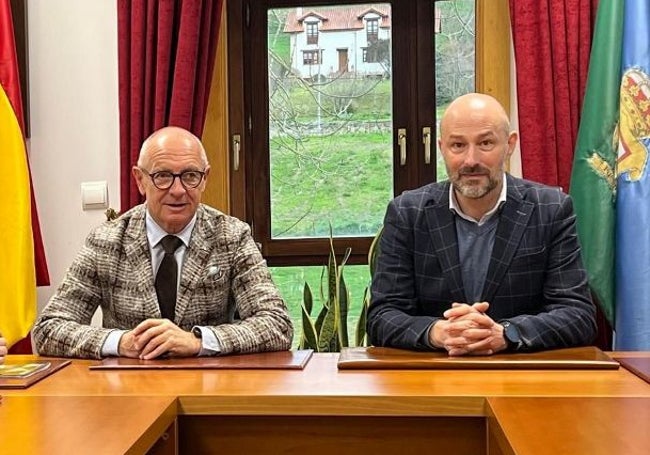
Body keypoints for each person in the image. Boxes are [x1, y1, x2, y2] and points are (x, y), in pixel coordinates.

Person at [34, 126, 293, 359]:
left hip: (209, 390)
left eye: (190, 176)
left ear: (205, 179)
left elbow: (277, 325)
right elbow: (48, 329)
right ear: (140, 180)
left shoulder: (231, 237)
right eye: (163, 176)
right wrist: (121, 342)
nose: (178, 190)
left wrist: (197, 341)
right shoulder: (106, 242)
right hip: (127, 394)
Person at [367, 93, 596, 355]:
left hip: (520, 378)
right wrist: (439, 332)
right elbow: (381, 317)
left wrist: (506, 333)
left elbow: (578, 315)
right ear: (441, 148)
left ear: (510, 145)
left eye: (485, 143)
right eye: (457, 146)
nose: (470, 160)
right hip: (434, 377)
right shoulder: (407, 213)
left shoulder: (551, 209)